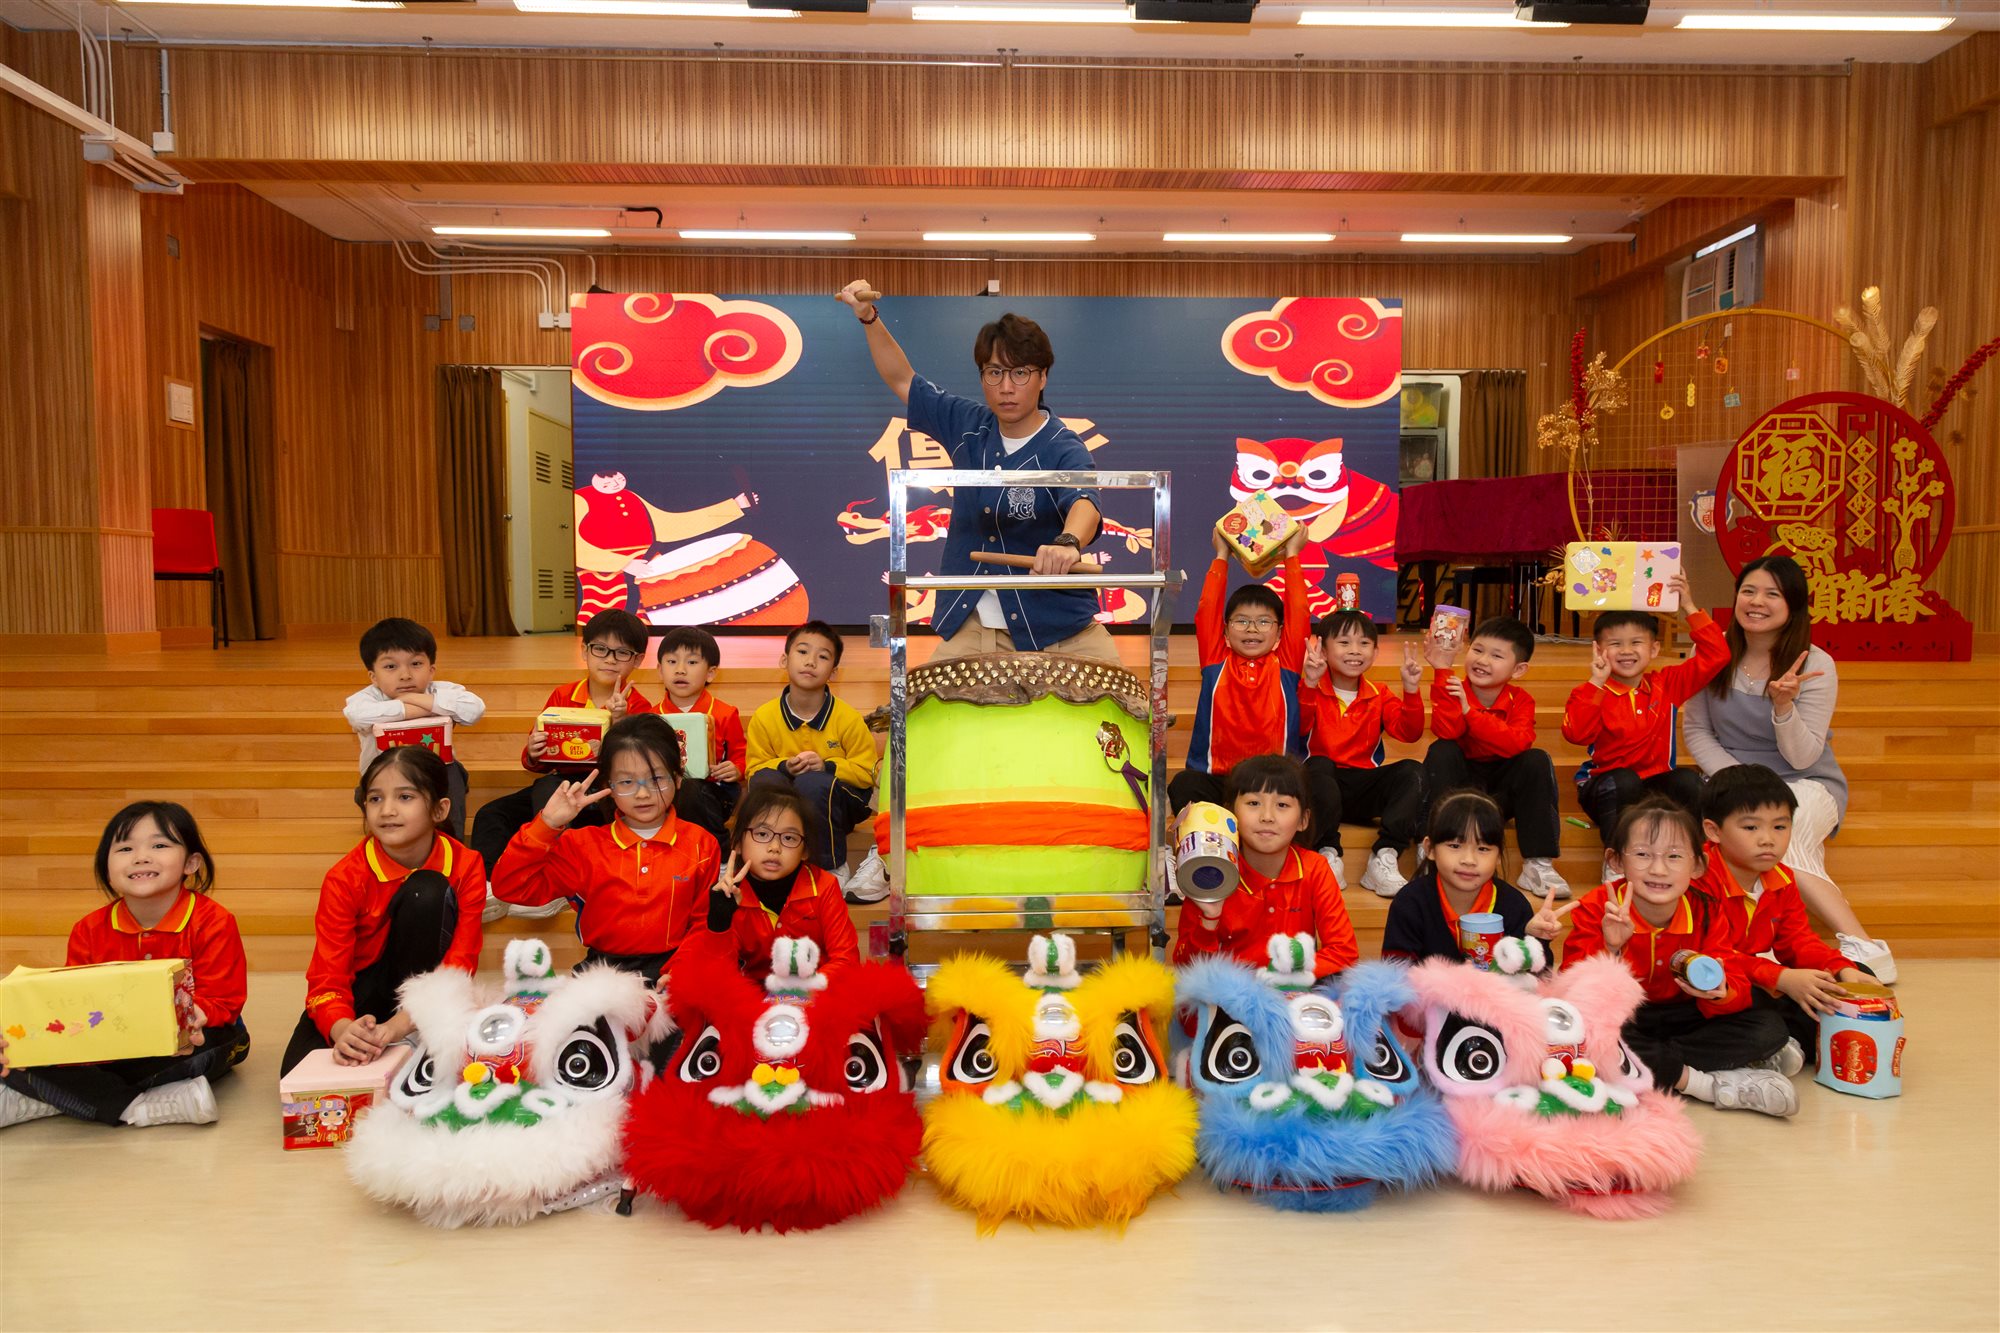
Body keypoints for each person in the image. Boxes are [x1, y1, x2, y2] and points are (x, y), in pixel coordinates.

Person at [836, 279, 1114, 662]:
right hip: (972, 624)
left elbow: (1084, 502)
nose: (1006, 387)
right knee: (928, 700)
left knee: (1119, 694)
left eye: (1020, 373)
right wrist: (868, 317)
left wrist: (1068, 542)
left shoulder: (1063, 445)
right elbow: (903, 379)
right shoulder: (967, 425)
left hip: (1058, 625)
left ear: (1043, 377)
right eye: (994, 373)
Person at [1681, 555, 1894, 982]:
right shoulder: (1710, 649)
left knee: (1776, 840)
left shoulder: (1816, 664)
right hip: (1730, 777)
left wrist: (1783, 707)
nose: (1756, 602)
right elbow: (1697, 730)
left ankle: (1864, 944)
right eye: (1748, 591)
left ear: (1793, 605)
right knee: (1747, 832)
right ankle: (1762, 940)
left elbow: (1804, 756)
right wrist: (1738, 786)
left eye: (1772, 594)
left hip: (1806, 780)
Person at [0, 802, 248, 1129]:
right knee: (16, 1055)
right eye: (125, 848)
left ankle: (47, 1099)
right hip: (114, 1043)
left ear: (191, 863)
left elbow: (223, 1001)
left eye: (159, 845)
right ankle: (138, 1107)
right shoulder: (88, 929)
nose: (141, 857)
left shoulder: (214, 922)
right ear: (107, 868)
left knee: (211, 1049)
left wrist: (192, 1019)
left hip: (198, 1036)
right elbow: (75, 1006)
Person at [1561, 797, 1795, 1117]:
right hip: (1625, 1018)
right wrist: (1611, 949)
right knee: (1590, 1037)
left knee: (1769, 1026)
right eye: (1642, 855)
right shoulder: (1597, 907)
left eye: (1674, 856)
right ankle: (1701, 1082)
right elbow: (1574, 995)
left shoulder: (1707, 910)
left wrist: (1720, 992)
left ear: (1697, 866)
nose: (1658, 869)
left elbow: (1733, 977)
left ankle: (1648, 1068)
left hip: (1685, 1014)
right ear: (1616, 861)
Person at [282, 747, 486, 1075]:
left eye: (405, 797)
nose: (387, 810)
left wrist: (398, 1025)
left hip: (426, 988)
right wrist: (342, 1027)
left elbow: (460, 961)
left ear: (439, 809)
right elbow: (328, 973)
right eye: (375, 799)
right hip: (363, 991)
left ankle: (415, 1035)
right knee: (297, 1072)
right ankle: (387, 1044)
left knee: (426, 890)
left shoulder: (466, 865)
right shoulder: (344, 877)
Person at [491, 715, 720, 984]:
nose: (643, 794)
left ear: (678, 778)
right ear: (607, 785)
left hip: (673, 972)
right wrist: (546, 825)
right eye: (626, 782)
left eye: (657, 778)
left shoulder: (701, 844)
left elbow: (705, 924)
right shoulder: (581, 845)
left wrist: (680, 969)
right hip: (600, 975)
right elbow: (509, 887)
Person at [468, 608, 658, 905]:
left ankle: (553, 880)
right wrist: (534, 751)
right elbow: (539, 762)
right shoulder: (563, 695)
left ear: (638, 660)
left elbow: (639, 765)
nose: (610, 659)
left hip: (605, 791)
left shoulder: (641, 707)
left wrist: (620, 723)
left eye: (622, 652)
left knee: (548, 793)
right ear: (584, 651)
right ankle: (490, 889)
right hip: (562, 783)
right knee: (492, 814)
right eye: (600, 649)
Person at [1694, 764, 1874, 1069]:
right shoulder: (1697, 877)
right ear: (1714, 831)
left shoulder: (1782, 878)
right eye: (1751, 828)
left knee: (1851, 975)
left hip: (1754, 978)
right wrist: (1781, 978)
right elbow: (1711, 956)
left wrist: (1840, 967)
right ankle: (1769, 1044)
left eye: (1779, 827)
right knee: (1761, 1013)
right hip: (1710, 986)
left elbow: (1798, 941)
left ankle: (1782, 1043)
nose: (1767, 839)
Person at [1561, 570, 1728, 848]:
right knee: (1624, 781)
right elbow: (1576, 735)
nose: (1626, 651)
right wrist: (1596, 683)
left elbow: (1717, 655)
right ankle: (1617, 859)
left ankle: (1696, 855)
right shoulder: (1590, 692)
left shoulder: (1666, 684)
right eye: (1615, 644)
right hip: (1606, 787)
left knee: (1688, 781)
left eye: (1636, 642)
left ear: (1654, 649)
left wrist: (1688, 605)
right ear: (1599, 650)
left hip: (1653, 786)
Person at [1421, 615, 1569, 899]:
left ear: (1519, 669)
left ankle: (1538, 863)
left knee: (1536, 760)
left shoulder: (1521, 700)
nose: (1483, 660)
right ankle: (1435, 847)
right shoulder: (1453, 686)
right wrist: (1441, 671)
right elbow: (1447, 731)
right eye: (1478, 650)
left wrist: (1470, 712)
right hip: (1460, 788)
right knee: (1442, 750)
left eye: (1497, 655)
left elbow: (1516, 744)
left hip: (1502, 790)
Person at [1171, 755, 1357, 979]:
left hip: (1294, 988)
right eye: (1253, 803)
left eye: (1282, 805)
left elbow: (1344, 952)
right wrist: (1209, 919)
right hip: (1231, 993)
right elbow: (1186, 968)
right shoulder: (1213, 870)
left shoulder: (1315, 868)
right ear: (1231, 815)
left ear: (1303, 820)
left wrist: (1283, 979)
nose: (1267, 817)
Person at [1168, 525, 1310, 817]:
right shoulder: (1215, 661)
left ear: (1280, 631)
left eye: (1264, 622)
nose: (1252, 629)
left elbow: (1298, 611)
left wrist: (1292, 556)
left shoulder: (1286, 664)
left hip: (1271, 784)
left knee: (1315, 785)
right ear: (1225, 629)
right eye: (1241, 621)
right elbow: (1207, 609)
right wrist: (1221, 555)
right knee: (1183, 784)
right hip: (1217, 778)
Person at [745, 621, 885, 901]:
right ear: (784, 660)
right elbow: (753, 770)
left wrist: (828, 766)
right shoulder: (764, 716)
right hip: (789, 807)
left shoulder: (847, 718)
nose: (810, 662)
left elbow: (867, 773)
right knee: (766, 780)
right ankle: (765, 864)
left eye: (822, 656)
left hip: (840, 806)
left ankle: (831, 867)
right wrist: (784, 766)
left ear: (833, 672)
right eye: (802, 652)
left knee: (814, 783)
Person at [1299, 608, 1427, 897]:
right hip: (1320, 789)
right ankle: (1327, 851)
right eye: (1344, 643)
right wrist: (1309, 684)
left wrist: (1410, 689)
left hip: (1362, 787)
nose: (1355, 651)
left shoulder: (1379, 693)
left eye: (1364, 643)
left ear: (1376, 651)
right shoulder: (1310, 687)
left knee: (1413, 770)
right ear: (1323, 649)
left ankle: (1385, 855)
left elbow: (1409, 734)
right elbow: (1298, 729)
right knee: (1319, 765)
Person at [690, 784, 860, 984]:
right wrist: (719, 924)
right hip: (751, 996)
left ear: (805, 850)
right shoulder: (728, 894)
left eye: (789, 838)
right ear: (737, 842)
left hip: (815, 992)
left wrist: (798, 992)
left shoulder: (825, 886)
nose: (774, 847)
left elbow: (846, 960)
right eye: (762, 834)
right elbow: (718, 976)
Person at [1380, 789, 1565, 965]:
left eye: (1483, 849)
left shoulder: (1513, 905)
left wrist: (1535, 940)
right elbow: (1395, 974)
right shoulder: (1410, 902)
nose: (1469, 860)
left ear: (1498, 856)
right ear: (1430, 849)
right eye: (1454, 846)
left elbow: (1536, 976)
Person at [341, 617, 484, 841]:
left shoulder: (441, 690)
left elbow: (474, 709)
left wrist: (416, 698)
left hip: (437, 775)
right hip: (384, 777)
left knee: (452, 774)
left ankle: (452, 846)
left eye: (416, 664)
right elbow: (357, 715)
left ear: (431, 669)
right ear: (373, 676)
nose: (405, 675)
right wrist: (421, 708)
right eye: (391, 666)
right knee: (378, 789)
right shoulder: (367, 698)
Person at [655, 624, 747, 843]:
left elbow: (741, 756)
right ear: (659, 670)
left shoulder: (724, 713)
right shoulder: (652, 717)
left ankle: (719, 850)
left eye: (692, 662)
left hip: (715, 790)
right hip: (665, 791)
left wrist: (736, 769)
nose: (680, 670)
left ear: (711, 673)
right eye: (672, 662)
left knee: (691, 788)